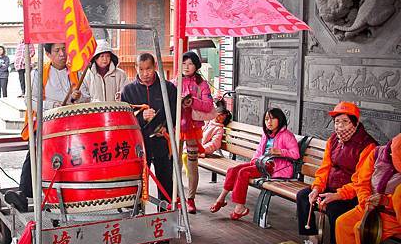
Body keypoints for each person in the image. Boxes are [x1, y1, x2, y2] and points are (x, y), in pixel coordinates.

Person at [295, 102, 377, 244]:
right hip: (330, 186)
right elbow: (325, 168)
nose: (340, 126)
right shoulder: (333, 140)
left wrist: (338, 195)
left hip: (352, 193)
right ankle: (312, 240)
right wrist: (317, 187)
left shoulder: (368, 145)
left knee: (334, 207)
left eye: (345, 122)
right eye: (337, 121)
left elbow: (361, 182)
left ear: (355, 122)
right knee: (304, 196)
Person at [4, 42, 85, 211]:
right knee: (34, 153)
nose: (62, 54)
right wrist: (52, 106)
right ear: (48, 54)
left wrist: (80, 97)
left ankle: (75, 194)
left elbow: (88, 97)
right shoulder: (39, 73)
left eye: (64, 49)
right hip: (46, 124)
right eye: (57, 50)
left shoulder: (75, 71)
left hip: (72, 126)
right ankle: (24, 194)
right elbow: (30, 100)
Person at [210, 108, 300, 220]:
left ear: (280, 119)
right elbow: (259, 151)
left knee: (243, 172)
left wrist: (280, 151)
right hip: (262, 164)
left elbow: (295, 154)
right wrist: (254, 160)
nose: (269, 122)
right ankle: (221, 198)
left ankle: (240, 207)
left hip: (276, 168)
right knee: (233, 170)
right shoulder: (266, 134)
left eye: (272, 119)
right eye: (267, 119)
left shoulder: (286, 135)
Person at [335, 133, 401, 244]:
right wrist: (366, 201)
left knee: (361, 229)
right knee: (342, 223)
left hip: (392, 214)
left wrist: (384, 200)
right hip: (368, 206)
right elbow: (362, 182)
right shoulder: (376, 153)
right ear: (390, 151)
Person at [121, 53, 177, 205]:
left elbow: (175, 113)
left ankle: (165, 217)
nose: (145, 73)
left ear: (155, 67)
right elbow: (124, 119)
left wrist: (164, 126)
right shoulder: (128, 91)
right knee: (138, 183)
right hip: (139, 144)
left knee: (166, 182)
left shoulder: (168, 88)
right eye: (141, 69)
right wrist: (141, 117)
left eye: (149, 69)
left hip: (162, 142)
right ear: (135, 68)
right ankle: (137, 216)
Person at [171, 51, 214, 214]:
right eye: (183, 64)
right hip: (176, 127)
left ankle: (191, 198)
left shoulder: (202, 84)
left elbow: (209, 105)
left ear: (196, 66)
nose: (186, 67)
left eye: (189, 64)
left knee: (192, 163)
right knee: (175, 161)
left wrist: (193, 102)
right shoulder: (175, 82)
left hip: (193, 128)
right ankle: (174, 195)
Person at [14, 29, 35, 98]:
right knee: (21, 79)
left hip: (26, 63)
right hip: (19, 64)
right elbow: (17, 54)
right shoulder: (19, 44)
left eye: (23, 34)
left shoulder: (29, 42)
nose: (22, 36)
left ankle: (29, 92)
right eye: (21, 34)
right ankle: (23, 92)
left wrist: (27, 57)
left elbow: (32, 52)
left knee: (28, 78)